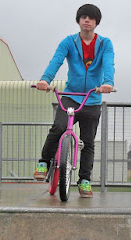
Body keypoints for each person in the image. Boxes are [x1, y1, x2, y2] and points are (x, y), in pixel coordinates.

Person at [34, 4, 115, 198]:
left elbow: (108, 63)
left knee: (88, 142)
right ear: (78, 20)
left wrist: (108, 83)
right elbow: (56, 60)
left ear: (96, 22)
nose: (87, 20)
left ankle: (84, 181)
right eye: (83, 17)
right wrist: (45, 80)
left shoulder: (105, 44)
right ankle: (44, 163)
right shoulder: (69, 42)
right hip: (71, 97)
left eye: (91, 18)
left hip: (92, 98)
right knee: (58, 128)